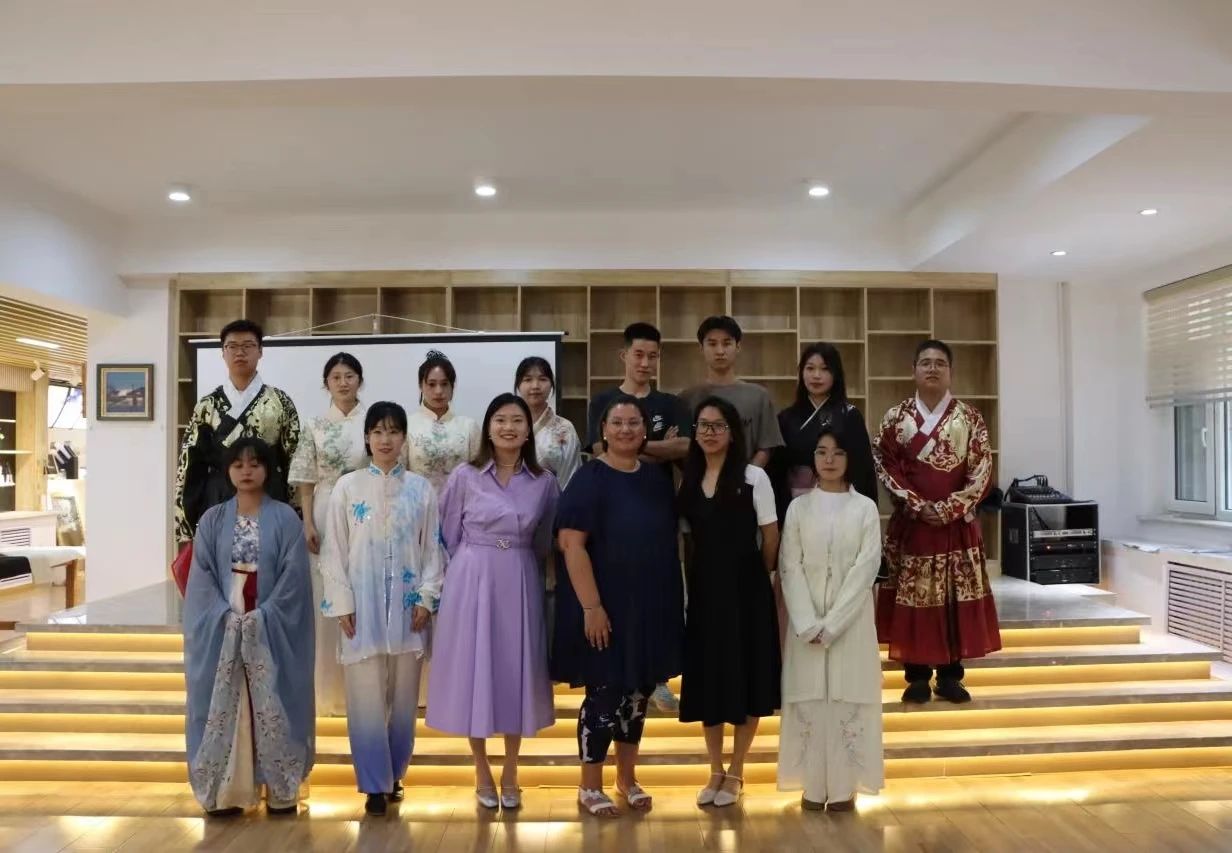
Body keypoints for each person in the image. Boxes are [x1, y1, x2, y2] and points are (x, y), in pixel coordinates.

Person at [427, 393, 560, 811]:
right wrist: (469, 566)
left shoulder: (544, 481)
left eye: (517, 421)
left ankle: (512, 770)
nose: (508, 427)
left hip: (519, 576)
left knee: (515, 670)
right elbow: (446, 533)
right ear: (488, 428)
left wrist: (516, 560)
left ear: (528, 431)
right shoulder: (465, 475)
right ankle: (481, 767)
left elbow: (545, 540)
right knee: (476, 669)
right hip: (471, 577)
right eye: (500, 420)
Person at [553, 394, 684, 818]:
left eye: (634, 423)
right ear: (603, 431)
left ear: (645, 430)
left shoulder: (655, 479)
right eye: (617, 423)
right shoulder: (590, 478)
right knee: (605, 693)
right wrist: (592, 607)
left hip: (649, 606)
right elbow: (571, 544)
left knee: (638, 693)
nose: (626, 430)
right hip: (604, 608)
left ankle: (626, 779)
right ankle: (589, 785)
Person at [320, 402, 444, 816]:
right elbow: (334, 550)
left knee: (405, 698)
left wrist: (426, 597)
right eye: (377, 431)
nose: (385, 439)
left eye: (393, 431)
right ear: (367, 437)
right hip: (361, 606)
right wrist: (342, 603)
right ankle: (374, 784)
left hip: (410, 608)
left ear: (404, 437)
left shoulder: (421, 489)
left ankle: (395, 775)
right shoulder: (347, 487)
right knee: (364, 697)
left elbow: (433, 548)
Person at [183, 437, 314, 816]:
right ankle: (227, 791)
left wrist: (263, 616)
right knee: (228, 701)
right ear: (227, 470)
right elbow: (201, 578)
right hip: (224, 618)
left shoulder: (286, 519)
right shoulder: (212, 520)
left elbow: (294, 580)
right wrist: (226, 617)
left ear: (268, 470)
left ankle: (280, 788)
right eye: (238, 464)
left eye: (255, 464)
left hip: (269, 619)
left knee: (273, 696)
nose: (246, 471)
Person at [874, 339, 1001, 704]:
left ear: (950, 372)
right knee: (913, 598)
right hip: (912, 525)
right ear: (913, 370)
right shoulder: (895, 418)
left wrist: (948, 509)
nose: (932, 368)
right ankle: (915, 676)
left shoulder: (970, 419)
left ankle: (950, 676)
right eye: (925, 362)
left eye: (940, 363)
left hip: (955, 525)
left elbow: (982, 470)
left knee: (953, 599)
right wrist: (916, 504)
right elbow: (884, 464)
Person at [678, 397, 780, 809]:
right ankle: (714, 768)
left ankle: (736, 770)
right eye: (703, 425)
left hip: (747, 590)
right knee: (709, 680)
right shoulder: (689, 478)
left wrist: (761, 577)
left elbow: (770, 536)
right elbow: (687, 540)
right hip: (704, 593)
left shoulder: (755, 477)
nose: (709, 433)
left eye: (718, 425)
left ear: (733, 432)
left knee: (747, 677)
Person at [585, 322, 691, 714]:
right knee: (619, 591)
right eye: (639, 355)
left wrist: (634, 446)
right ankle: (618, 672)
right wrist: (656, 446)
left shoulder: (671, 403)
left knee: (661, 590)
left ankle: (658, 677)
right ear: (624, 356)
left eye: (653, 356)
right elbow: (599, 449)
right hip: (612, 509)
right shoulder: (603, 401)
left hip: (659, 506)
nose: (645, 363)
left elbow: (685, 446)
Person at [777, 426, 884, 811]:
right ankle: (812, 784)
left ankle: (843, 788)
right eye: (822, 452)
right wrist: (807, 621)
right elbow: (790, 565)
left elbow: (866, 567)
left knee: (846, 699)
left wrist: (834, 623)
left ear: (850, 458)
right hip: (806, 626)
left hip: (851, 623)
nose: (829, 460)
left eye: (838, 453)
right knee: (810, 700)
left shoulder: (865, 508)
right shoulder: (798, 509)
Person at [287, 352, 367, 717]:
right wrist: (307, 521)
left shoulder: (372, 420)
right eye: (336, 377)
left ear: (359, 380)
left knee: (362, 590)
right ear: (326, 383)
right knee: (326, 596)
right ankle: (328, 691)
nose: (343, 382)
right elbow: (305, 478)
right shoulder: (315, 425)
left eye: (350, 375)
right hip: (324, 508)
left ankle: (364, 689)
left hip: (364, 510)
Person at [174, 319, 300, 543]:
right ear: (223, 353)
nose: (240, 352)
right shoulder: (207, 405)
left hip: (269, 495)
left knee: (269, 557)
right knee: (221, 559)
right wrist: (187, 521)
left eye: (248, 346)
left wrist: (296, 512)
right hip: (219, 498)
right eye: (232, 346)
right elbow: (190, 462)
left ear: (260, 351)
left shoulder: (281, 402)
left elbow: (294, 459)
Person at [771, 342, 878, 523]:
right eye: (810, 368)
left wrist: (866, 516)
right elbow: (778, 473)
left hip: (842, 507)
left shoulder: (849, 415)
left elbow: (863, 470)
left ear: (836, 375)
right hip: (798, 508)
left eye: (825, 369)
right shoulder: (786, 418)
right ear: (801, 372)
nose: (816, 375)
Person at [680, 315, 783, 468]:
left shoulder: (759, 396)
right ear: (701, 348)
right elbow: (682, 449)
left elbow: (766, 447)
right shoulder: (687, 398)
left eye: (726, 343)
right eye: (712, 344)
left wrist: (748, 476)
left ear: (738, 347)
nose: (720, 351)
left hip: (747, 478)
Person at [404, 350, 481, 493]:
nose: (438, 391)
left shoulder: (469, 427)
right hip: (418, 503)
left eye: (444, 384)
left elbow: (479, 476)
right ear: (421, 386)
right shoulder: (407, 425)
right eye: (432, 384)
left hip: (462, 503)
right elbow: (399, 475)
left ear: (452, 387)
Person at [515, 356, 582, 488]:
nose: (535, 386)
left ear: (551, 385)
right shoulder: (509, 427)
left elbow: (570, 477)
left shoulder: (564, 429)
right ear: (518, 385)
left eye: (542, 379)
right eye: (528, 379)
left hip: (555, 498)